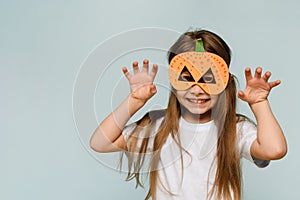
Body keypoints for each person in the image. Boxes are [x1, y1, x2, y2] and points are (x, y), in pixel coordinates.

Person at [90, 29, 287, 200]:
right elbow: (100, 142)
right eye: (186, 78)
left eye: (208, 79)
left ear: (225, 81)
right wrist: (135, 101)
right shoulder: (158, 124)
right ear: (174, 82)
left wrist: (260, 103)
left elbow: (275, 149)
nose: (197, 90)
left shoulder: (235, 129)